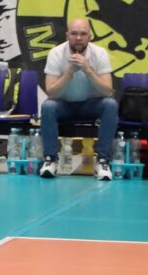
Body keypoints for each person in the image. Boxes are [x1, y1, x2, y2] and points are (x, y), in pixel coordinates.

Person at [39, 18, 116, 181]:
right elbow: (51, 93)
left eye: (83, 34)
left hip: (91, 105)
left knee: (110, 104)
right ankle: (50, 159)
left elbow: (107, 91)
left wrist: (88, 70)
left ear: (90, 36)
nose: (78, 38)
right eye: (74, 34)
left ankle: (102, 161)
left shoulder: (100, 53)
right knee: (48, 106)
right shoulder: (56, 53)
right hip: (64, 105)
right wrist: (69, 72)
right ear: (67, 35)